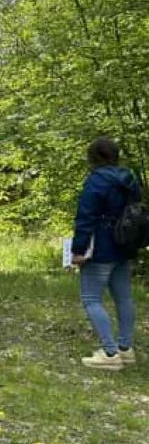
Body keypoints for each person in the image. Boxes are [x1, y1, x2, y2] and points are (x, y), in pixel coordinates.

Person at [71, 136, 141, 369]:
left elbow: (86, 216)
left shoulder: (97, 181)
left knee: (91, 298)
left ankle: (110, 354)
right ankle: (125, 347)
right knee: (124, 297)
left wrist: (78, 249)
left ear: (93, 157)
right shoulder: (129, 179)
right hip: (125, 242)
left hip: (101, 244)